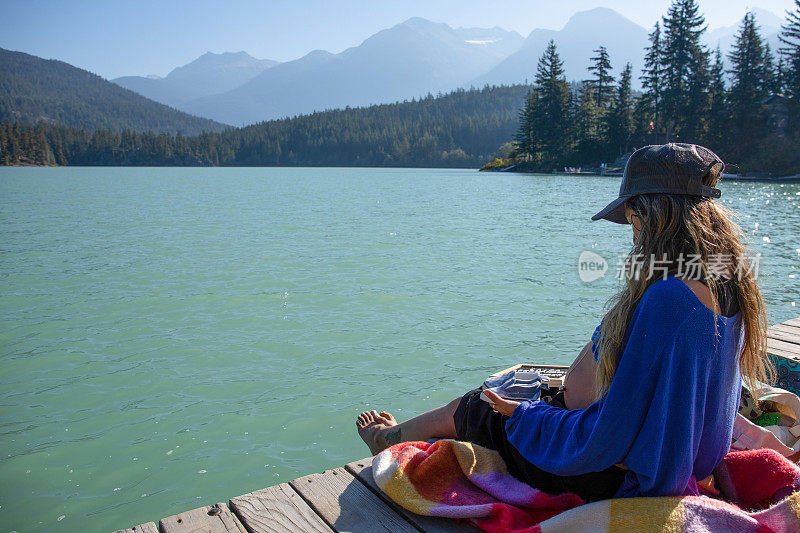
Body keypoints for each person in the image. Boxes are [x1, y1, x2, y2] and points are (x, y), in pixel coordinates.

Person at [356, 143, 772, 501]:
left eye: (633, 219)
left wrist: (523, 417)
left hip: (606, 473)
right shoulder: (728, 281)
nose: (633, 234)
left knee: (475, 406)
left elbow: (606, 439)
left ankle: (385, 441)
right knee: (502, 398)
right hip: (673, 460)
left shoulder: (669, 299)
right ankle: (407, 434)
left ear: (656, 213)